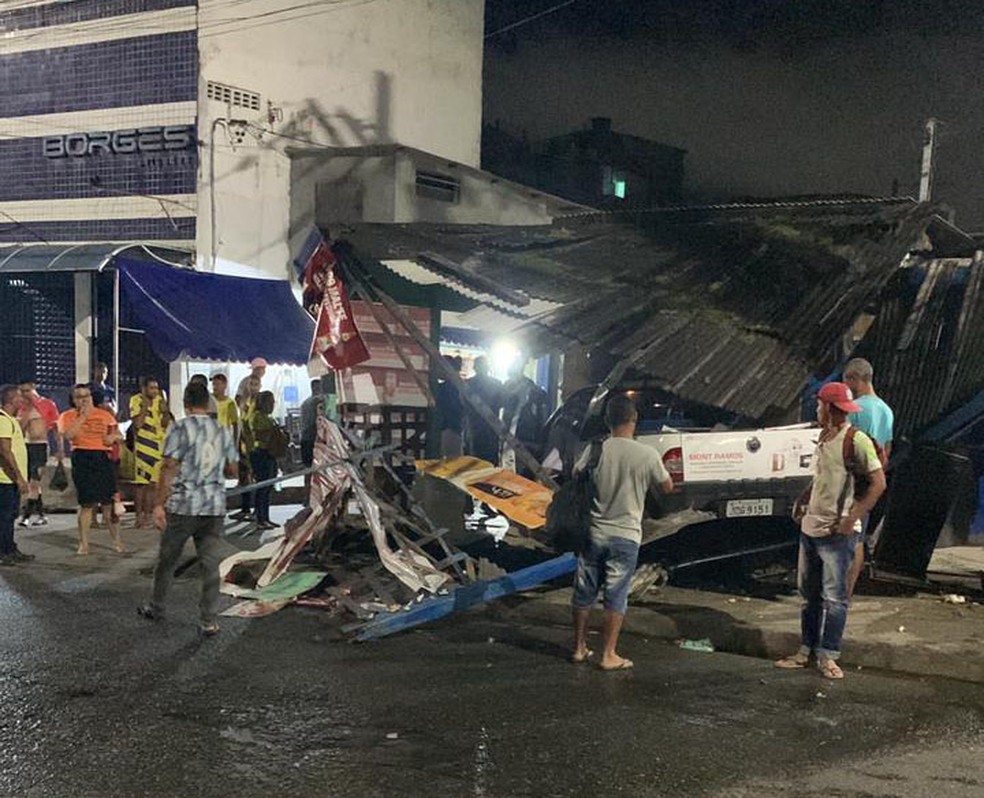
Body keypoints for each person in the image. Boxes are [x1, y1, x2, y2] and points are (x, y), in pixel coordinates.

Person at [775, 382, 886, 680]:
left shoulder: (856, 440)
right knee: (809, 597)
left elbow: (878, 483)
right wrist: (803, 500)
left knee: (835, 599)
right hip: (811, 529)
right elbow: (823, 477)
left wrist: (852, 518)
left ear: (830, 408)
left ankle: (829, 656)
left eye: (819, 404)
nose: (816, 408)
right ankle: (805, 651)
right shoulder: (824, 437)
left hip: (839, 534)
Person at [571, 394, 674, 671]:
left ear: (607, 420)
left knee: (584, 591)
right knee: (616, 595)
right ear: (634, 420)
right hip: (626, 534)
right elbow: (666, 487)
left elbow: (577, 475)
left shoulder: (595, 450)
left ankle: (580, 648)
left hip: (594, 530)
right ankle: (608, 654)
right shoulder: (647, 454)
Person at [138, 381, 238, 636]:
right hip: (214, 506)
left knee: (168, 560)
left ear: (185, 403)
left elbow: (169, 467)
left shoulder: (180, 428)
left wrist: (159, 504)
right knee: (210, 564)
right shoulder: (222, 430)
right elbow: (232, 470)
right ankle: (208, 619)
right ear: (208, 403)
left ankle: (157, 606)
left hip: (184, 506)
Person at [843, 357, 894, 596]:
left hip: (855, 480)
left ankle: (841, 593)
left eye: (846, 380)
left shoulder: (857, 409)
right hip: (874, 479)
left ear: (855, 378)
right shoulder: (886, 410)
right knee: (859, 537)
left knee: (849, 539)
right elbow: (888, 448)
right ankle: (847, 593)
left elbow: (850, 444)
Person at [58, 384, 125, 555]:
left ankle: (117, 541)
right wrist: (83, 417)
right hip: (82, 456)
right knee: (86, 504)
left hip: (102, 457)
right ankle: (84, 543)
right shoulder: (67, 415)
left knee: (108, 503)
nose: (84, 399)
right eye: (79, 396)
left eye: (86, 395)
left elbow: (117, 435)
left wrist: (114, 438)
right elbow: (68, 436)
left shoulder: (105, 415)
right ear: (73, 400)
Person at [129, 377, 170, 529]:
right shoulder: (136, 400)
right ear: (144, 388)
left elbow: (165, 424)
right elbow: (138, 424)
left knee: (154, 485)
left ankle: (149, 515)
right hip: (144, 447)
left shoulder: (160, 400)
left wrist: (165, 410)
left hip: (159, 446)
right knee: (141, 485)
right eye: (151, 388)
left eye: (156, 388)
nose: (154, 391)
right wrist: (145, 407)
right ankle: (138, 516)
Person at [17, 381, 59, 528]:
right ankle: (41, 515)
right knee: (32, 484)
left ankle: (26, 516)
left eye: (27, 390)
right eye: (22, 391)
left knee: (35, 481)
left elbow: (56, 428)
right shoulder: (22, 408)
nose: (24, 394)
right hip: (26, 445)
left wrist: (60, 450)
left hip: (40, 446)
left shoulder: (48, 404)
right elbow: (19, 430)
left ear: (33, 388)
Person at [0, 385, 32, 566]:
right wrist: (18, 477)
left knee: (10, 515)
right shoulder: (3, 420)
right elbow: (5, 451)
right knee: (4, 516)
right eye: (20, 398)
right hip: (5, 479)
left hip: (10, 478)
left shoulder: (10, 420)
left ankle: (10, 548)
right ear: (11, 400)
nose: (23, 401)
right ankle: (4, 552)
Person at [501, 359, 550, 476]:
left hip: (525, 437)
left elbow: (540, 415)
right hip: (513, 436)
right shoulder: (508, 386)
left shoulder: (532, 389)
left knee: (522, 472)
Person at [230, 375, 261, 522]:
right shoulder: (244, 402)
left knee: (256, 477)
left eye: (255, 384)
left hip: (255, 446)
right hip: (243, 445)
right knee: (244, 478)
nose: (252, 387)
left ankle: (257, 510)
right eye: (250, 384)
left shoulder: (261, 402)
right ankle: (245, 508)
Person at [247, 391, 280, 530]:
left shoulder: (267, 417)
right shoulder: (257, 417)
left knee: (268, 488)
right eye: (271, 402)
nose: (273, 405)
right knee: (263, 487)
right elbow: (262, 436)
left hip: (269, 454)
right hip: (261, 454)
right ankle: (260, 519)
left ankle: (266, 517)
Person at [463, 355, 503, 464]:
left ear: (475, 368)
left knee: (474, 461)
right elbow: (501, 403)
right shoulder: (497, 384)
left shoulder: (468, 384)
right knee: (490, 461)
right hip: (490, 430)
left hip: (474, 428)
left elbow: (463, 404)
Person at [435, 355, 464, 459]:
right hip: (454, 428)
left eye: (438, 367)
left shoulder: (448, 387)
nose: (436, 370)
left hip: (449, 428)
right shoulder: (456, 384)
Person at [299, 379, 323, 473]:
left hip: (305, 438)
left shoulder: (304, 403)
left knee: (308, 470)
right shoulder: (317, 401)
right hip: (313, 438)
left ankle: (307, 486)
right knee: (316, 471)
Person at [210, 374, 239, 439]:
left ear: (225, 385)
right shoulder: (209, 399)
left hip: (223, 437)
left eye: (218, 384)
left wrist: (235, 441)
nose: (215, 387)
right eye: (213, 384)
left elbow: (235, 424)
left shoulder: (230, 403)